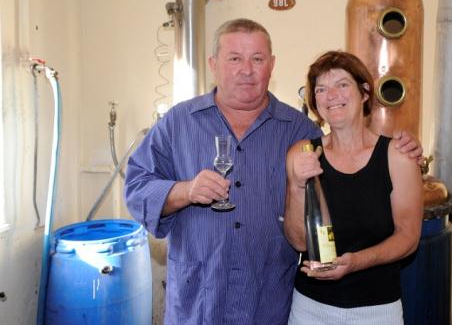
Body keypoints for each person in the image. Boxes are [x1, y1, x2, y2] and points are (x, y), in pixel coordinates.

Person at [124, 19, 423, 325]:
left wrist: (403, 147)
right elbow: (136, 187)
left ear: (272, 65)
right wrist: (185, 191)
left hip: (268, 305)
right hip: (198, 302)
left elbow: (348, 161)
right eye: (235, 58)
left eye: (257, 59)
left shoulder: (300, 133)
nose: (247, 70)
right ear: (213, 64)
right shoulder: (178, 123)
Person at [283, 51, 423, 325]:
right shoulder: (303, 154)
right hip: (310, 309)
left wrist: (356, 262)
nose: (331, 96)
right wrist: (298, 185)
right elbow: (298, 241)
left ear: (365, 93)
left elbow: (408, 238)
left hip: (378, 311)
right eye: (321, 89)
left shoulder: (398, 155)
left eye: (342, 84)